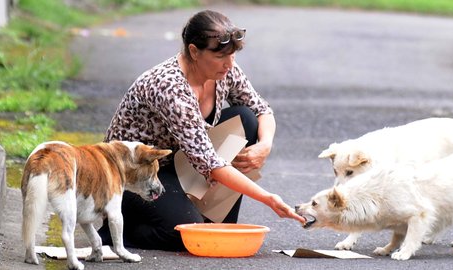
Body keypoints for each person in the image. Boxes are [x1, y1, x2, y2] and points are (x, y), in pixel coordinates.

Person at [97, 9, 305, 251]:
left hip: (182, 163)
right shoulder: (169, 87)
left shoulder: (224, 70)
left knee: (246, 119)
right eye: (220, 57)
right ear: (194, 51)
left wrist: (265, 144)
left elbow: (261, 110)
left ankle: (215, 217)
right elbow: (210, 163)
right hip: (134, 175)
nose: (229, 64)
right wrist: (268, 198)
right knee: (185, 235)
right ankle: (115, 229)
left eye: (233, 56)